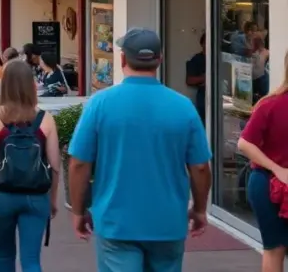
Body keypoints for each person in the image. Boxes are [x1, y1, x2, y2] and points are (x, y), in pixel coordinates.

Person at [68, 28, 211, 270]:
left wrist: (79, 211)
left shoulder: (100, 105)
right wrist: (199, 209)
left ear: (123, 59)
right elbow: (200, 167)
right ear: (159, 59)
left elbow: (79, 163)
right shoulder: (183, 107)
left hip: (116, 223)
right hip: (167, 222)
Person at [0, 60, 61, 272]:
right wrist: (52, 199)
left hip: (2, 195)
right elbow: (55, 166)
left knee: (4, 255)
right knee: (32, 261)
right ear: (30, 85)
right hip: (37, 196)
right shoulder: (45, 121)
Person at [237, 50, 288, 272]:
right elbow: (245, 144)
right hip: (268, 185)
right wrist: (278, 169)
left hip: (269, 181)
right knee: (275, 248)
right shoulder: (270, 105)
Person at [185, 34, 206, 123]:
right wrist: (205, 78)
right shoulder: (197, 59)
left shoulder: (219, 58)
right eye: (206, 42)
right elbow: (189, 80)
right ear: (202, 44)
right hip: (203, 96)